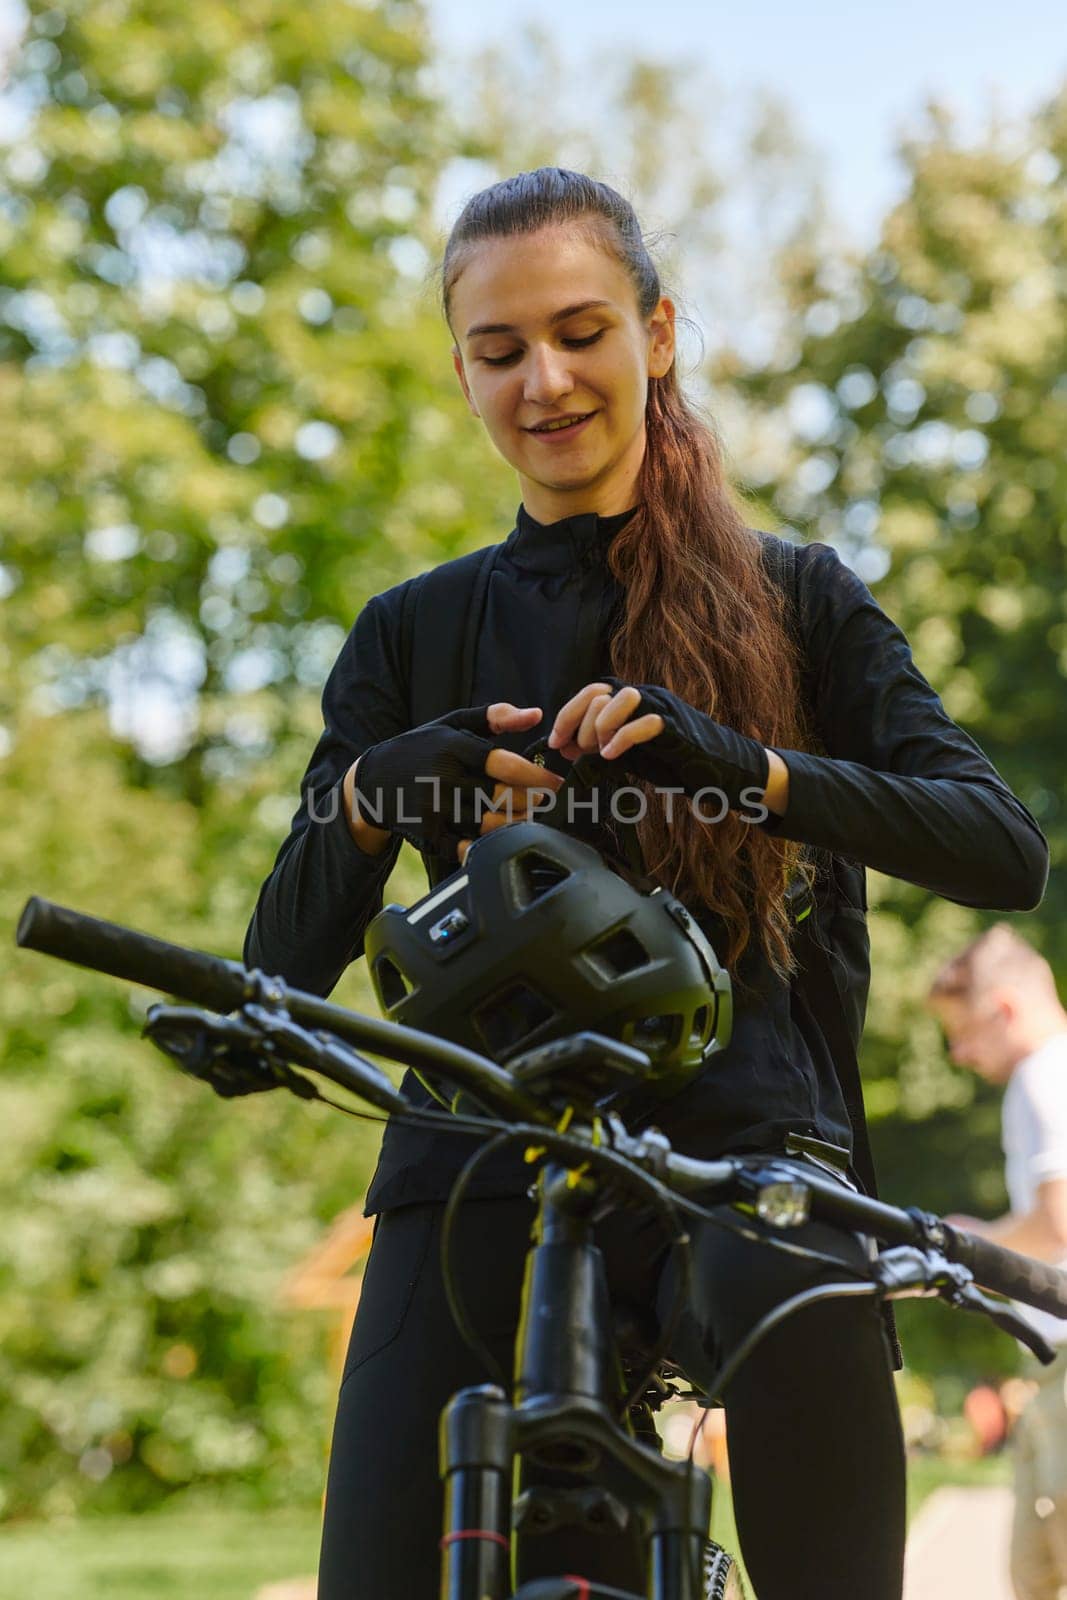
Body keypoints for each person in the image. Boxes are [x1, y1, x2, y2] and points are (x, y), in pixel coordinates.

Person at [244, 168, 1049, 1599]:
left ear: (654, 334)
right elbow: (275, 980)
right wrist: (379, 795)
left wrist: (746, 768)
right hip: (476, 1157)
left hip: (746, 1154)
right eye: (497, 352)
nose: (541, 381)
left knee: (824, 1496)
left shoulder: (797, 597)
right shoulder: (409, 634)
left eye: (578, 332)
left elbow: (996, 847)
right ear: (462, 370)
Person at [928, 926, 1067, 1600]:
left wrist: (970, 1242)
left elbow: (1056, 1221)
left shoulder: (1043, 1079)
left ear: (1004, 1009)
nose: (958, 1054)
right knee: (1035, 1572)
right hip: (1049, 1374)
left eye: (963, 1033)